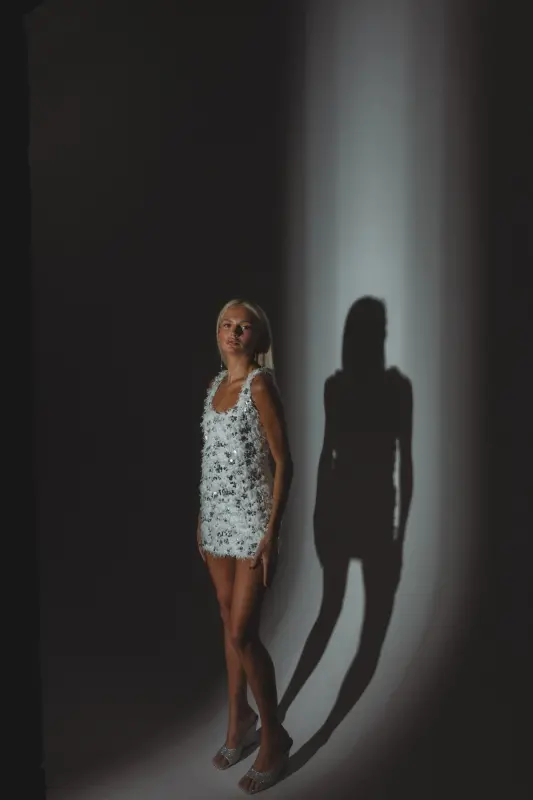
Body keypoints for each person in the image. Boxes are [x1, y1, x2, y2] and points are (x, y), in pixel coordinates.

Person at [197, 298, 293, 794]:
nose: (234, 332)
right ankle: (240, 722)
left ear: (259, 337)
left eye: (244, 326)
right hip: (215, 522)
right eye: (226, 325)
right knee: (224, 617)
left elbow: (284, 461)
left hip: (252, 523)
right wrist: (201, 515)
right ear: (217, 334)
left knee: (242, 633)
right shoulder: (216, 386)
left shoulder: (260, 385)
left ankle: (275, 737)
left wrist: (272, 533)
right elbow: (212, 459)